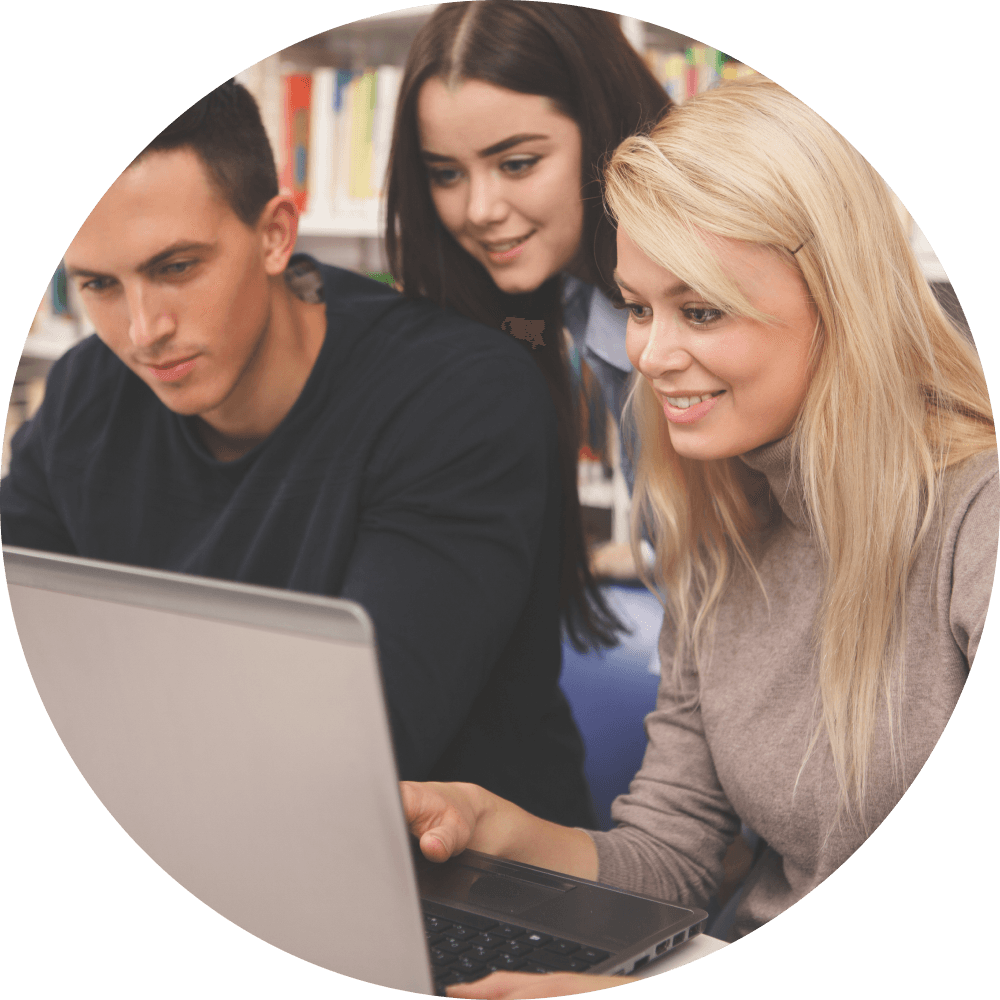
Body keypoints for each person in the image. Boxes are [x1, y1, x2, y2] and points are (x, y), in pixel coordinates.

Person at [401, 77, 998, 998]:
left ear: (839, 304)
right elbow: (672, 857)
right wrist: (495, 830)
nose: (650, 353)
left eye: (702, 311)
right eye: (639, 307)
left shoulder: (977, 514)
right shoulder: (721, 519)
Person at [0, 80, 599, 828]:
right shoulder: (87, 389)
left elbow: (355, 749)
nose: (144, 330)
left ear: (277, 234)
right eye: (99, 284)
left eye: (177, 266)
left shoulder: (458, 397)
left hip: (457, 885)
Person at [385, 0, 673, 590]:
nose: (480, 211)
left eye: (517, 164)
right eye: (446, 173)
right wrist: (664, 561)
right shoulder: (570, 300)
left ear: (602, 126)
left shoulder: (712, 289)